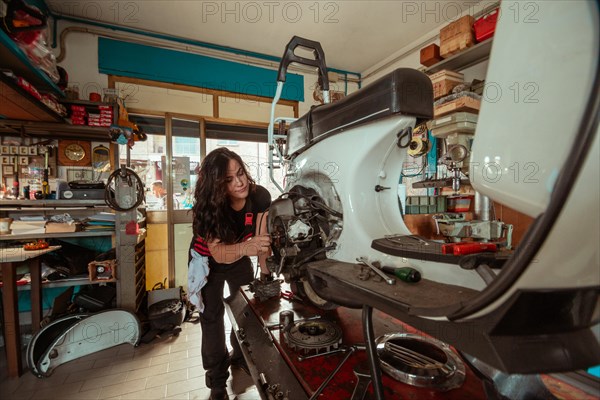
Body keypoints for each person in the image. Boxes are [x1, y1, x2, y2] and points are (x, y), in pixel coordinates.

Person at [188, 148, 271, 400]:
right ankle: (217, 381)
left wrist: (266, 275)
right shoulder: (207, 209)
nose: (240, 182)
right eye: (228, 179)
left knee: (245, 310)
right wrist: (250, 246)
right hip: (207, 262)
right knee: (211, 317)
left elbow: (262, 241)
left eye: (241, 173)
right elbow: (219, 255)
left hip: (239, 260)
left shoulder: (260, 198)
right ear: (216, 185)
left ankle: (240, 356)